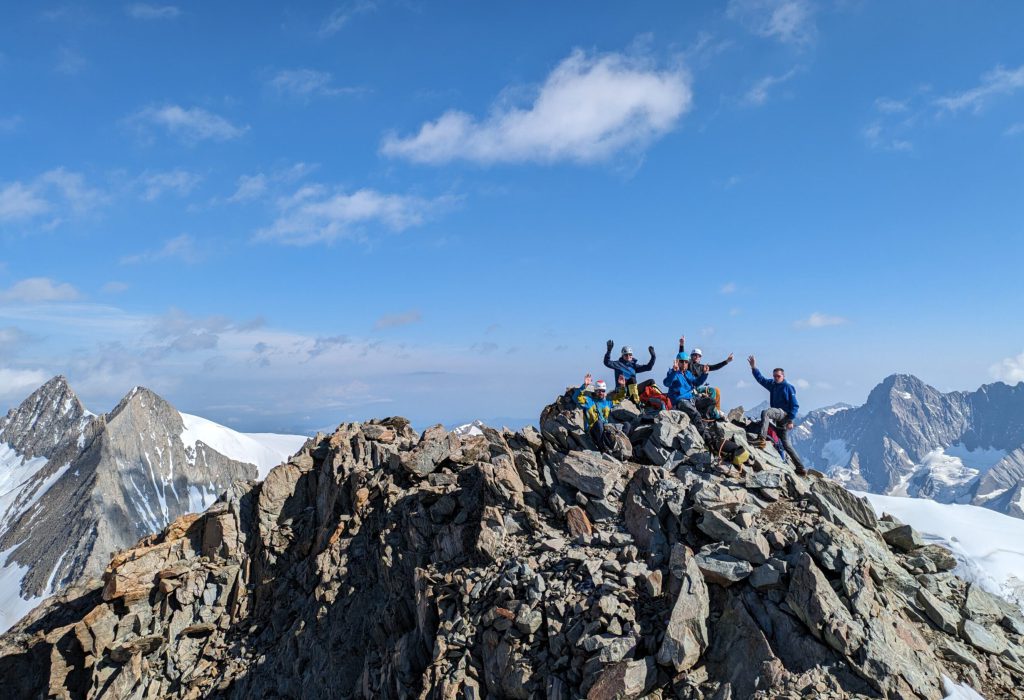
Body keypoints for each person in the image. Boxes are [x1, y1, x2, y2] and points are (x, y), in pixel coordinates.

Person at [747, 355, 806, 475]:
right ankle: (801, 468)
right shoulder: (773, 384)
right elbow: (761, 380)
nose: (776, 378)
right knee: (786, 445)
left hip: (783, 414)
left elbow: (795, 406)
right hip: (779, 421)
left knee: (766, 412)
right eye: (774, 376)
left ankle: (761, 439)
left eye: (778, 376)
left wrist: (790, 420)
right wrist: (754, 368)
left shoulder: (788, 387)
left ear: (783, 376)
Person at [573, 372, 627, 453]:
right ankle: (603, 448)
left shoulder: (608, 402)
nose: (601, 393)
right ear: (595, 391)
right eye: (598, 391)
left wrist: (622, 386)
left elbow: (620, 398)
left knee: (627, 425)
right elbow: (575, 397)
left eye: (603, 391)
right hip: (592, 431)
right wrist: (584, 385)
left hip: (605, 429)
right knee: (599, 423)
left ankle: (622, 447)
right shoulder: (589, 401)